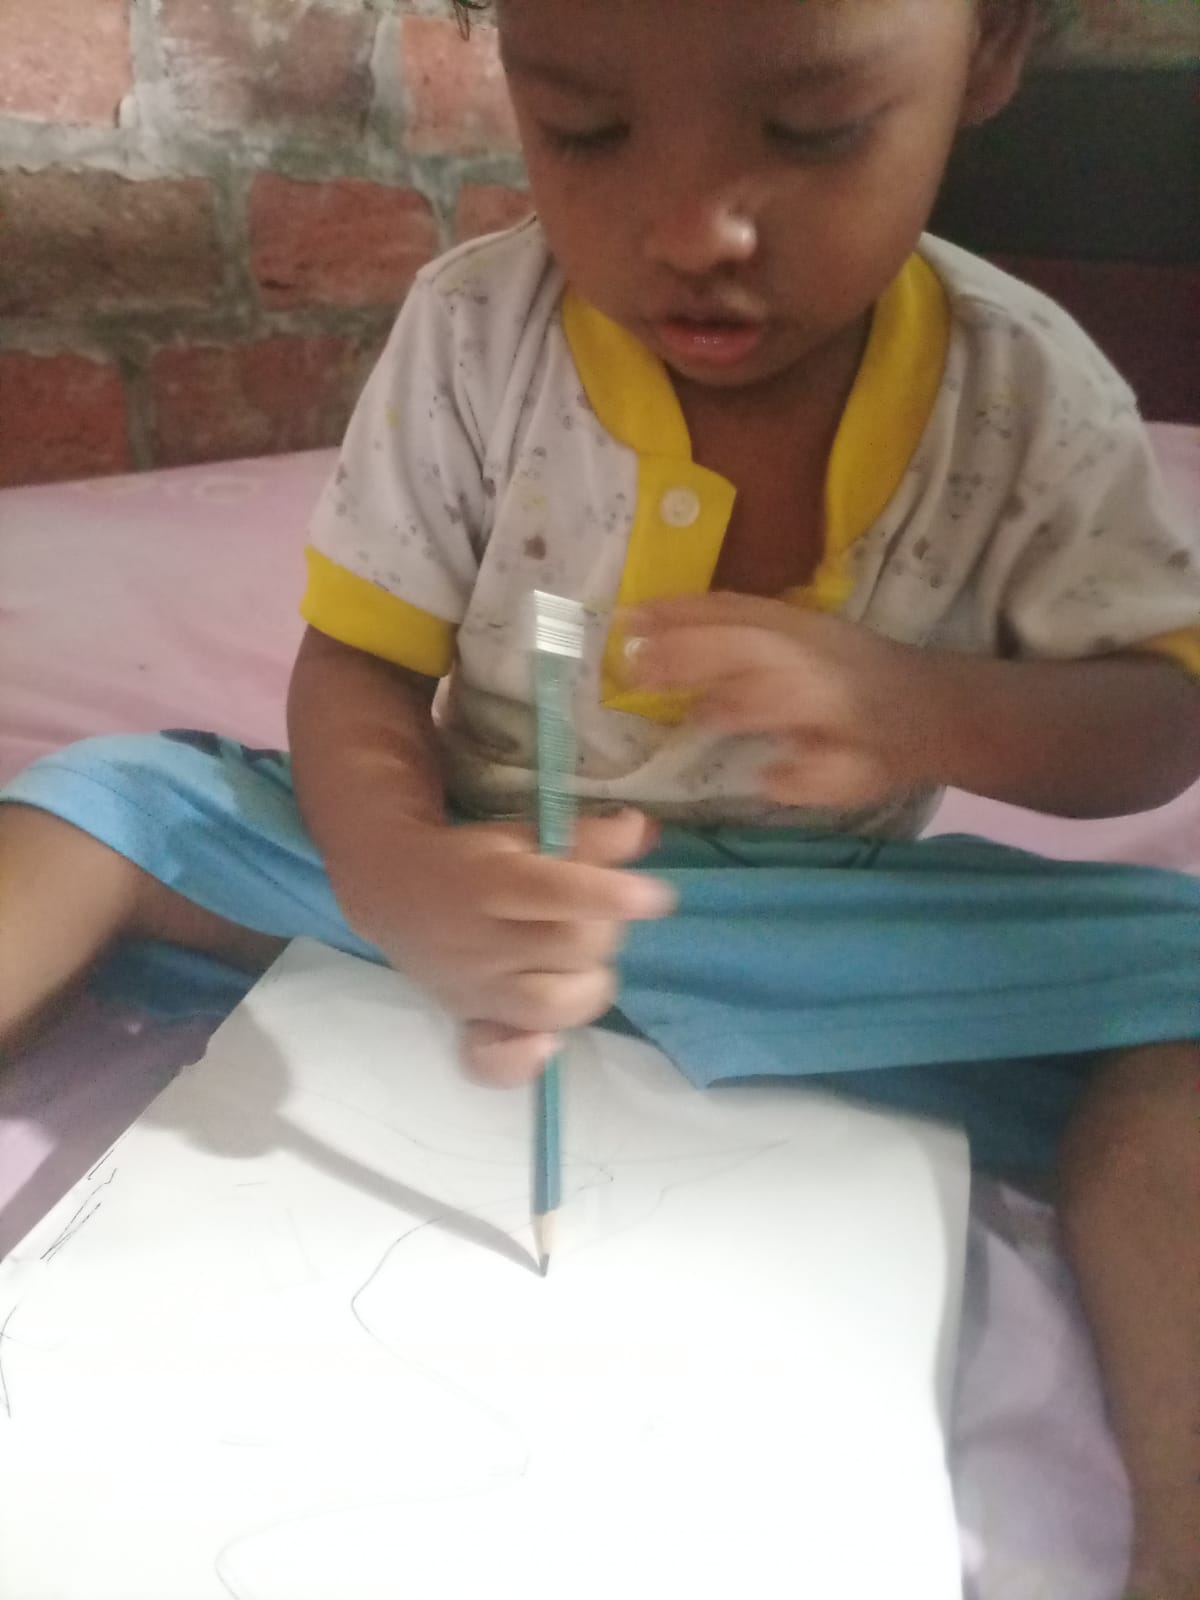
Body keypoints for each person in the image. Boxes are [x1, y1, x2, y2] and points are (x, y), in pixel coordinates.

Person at [1, 0, 1197, 1591]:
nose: (691, 228)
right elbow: (356, 668)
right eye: (587, 129)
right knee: (108, 803)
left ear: (989, 55)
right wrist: (399, 874)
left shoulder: (1027, 393)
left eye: (814, 131)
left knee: (1183, 991)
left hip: (832, 936)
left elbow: (1156, 727)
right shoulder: (475, 333)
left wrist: (921, 710)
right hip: (475, 876)